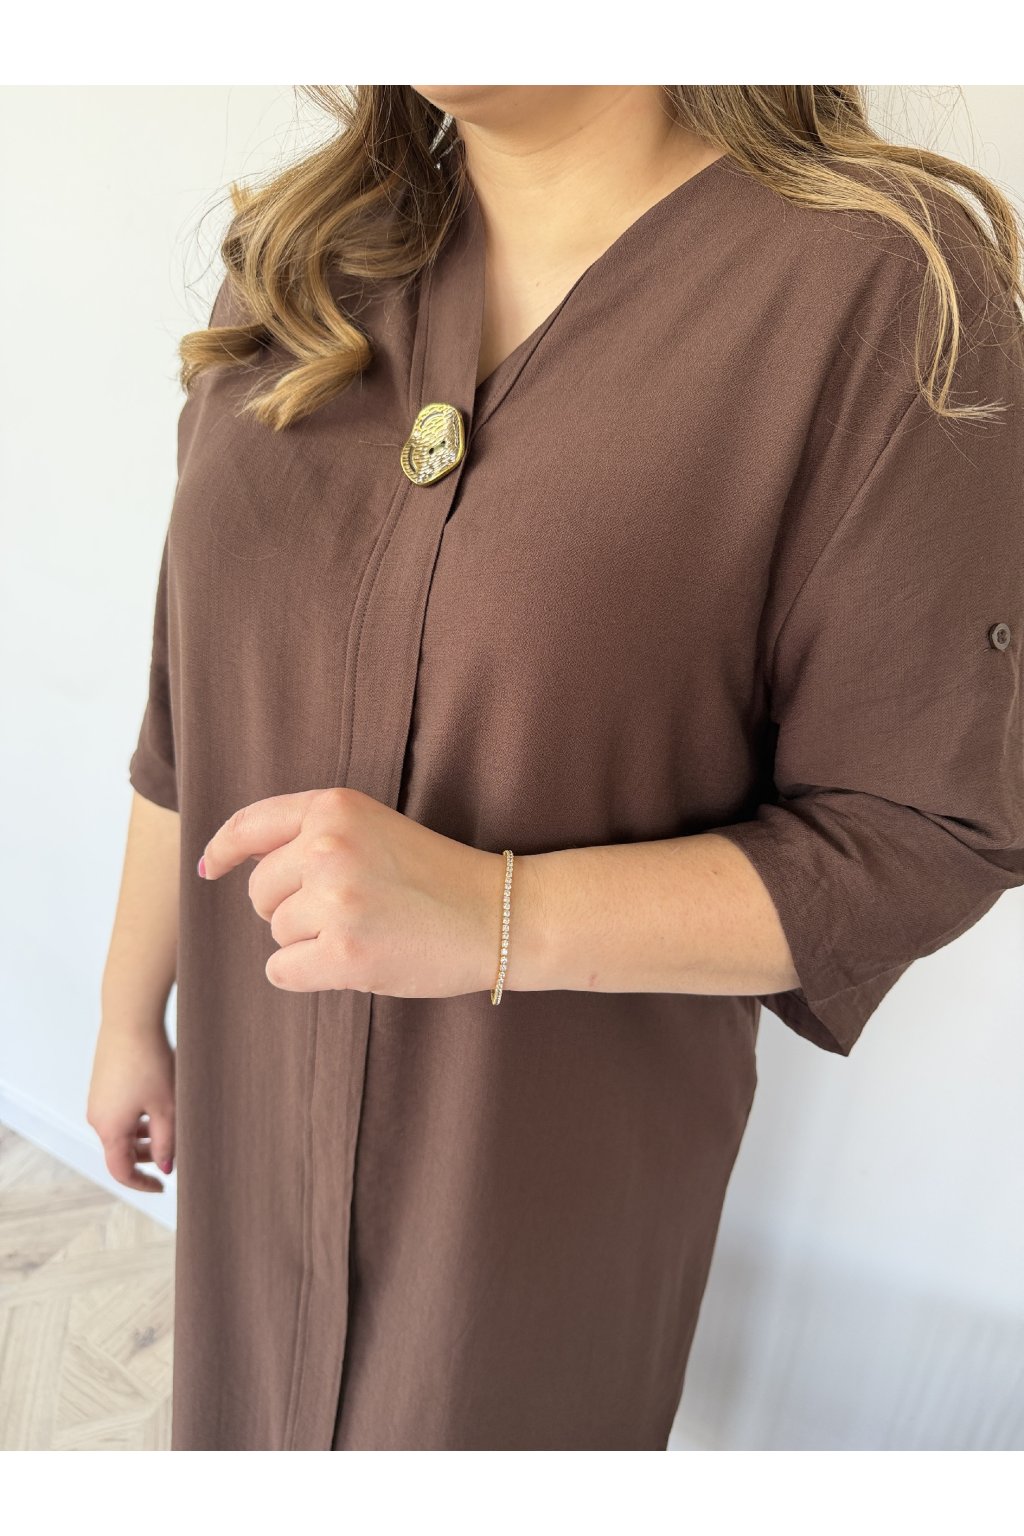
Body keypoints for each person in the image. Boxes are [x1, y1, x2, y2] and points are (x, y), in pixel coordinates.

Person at [89, 85, 1024, 1451]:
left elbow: (919, 830)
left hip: (543, 1193)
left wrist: (494, 914)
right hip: (252, 1103)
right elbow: (193, 693)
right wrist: (131, 1008)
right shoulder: (303, 256)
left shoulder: (880, 289)